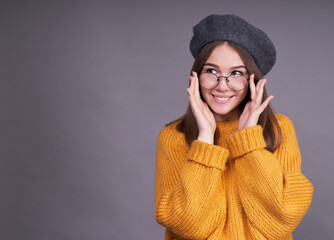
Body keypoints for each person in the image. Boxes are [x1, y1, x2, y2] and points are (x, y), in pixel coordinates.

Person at [155, 14, 314, 240]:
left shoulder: (278, 130)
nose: (222, 86)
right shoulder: (174, 137)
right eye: (211, 71)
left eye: (236, 73)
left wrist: (249, 142)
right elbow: (189, 226)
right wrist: (205, 140)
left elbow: (281, 219)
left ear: (253, 80)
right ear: (196, 76)